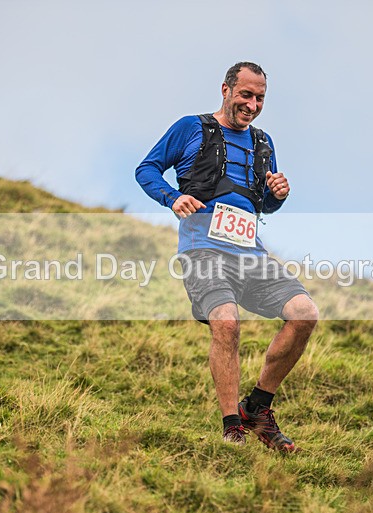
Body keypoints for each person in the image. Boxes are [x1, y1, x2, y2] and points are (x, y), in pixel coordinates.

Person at [135, 61, 318, 452]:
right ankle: (232, 427)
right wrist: (172, 197)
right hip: (204, 252)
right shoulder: (191, 127)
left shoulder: (264, 143)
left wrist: (277, 195)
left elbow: (263, 205)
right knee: (227, 324)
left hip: (250, 255)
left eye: (259, 98)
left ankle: (257, 409)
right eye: (245, 95)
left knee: (305, 314)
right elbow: (146, 169)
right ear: (225, 89)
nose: (251, 105)